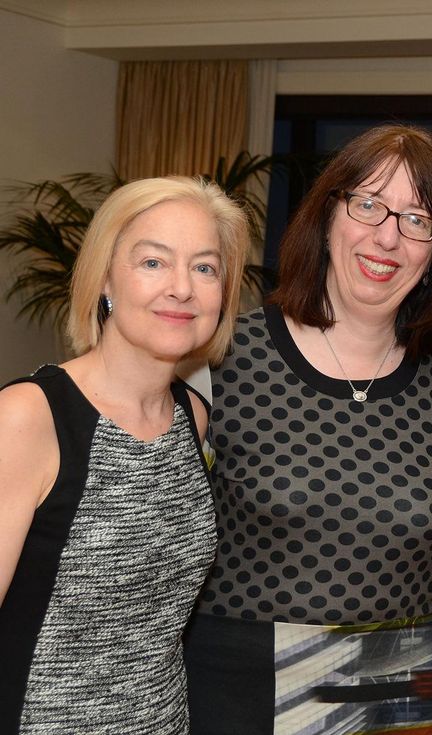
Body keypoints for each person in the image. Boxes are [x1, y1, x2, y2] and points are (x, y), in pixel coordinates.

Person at [184, 124, 432, 734]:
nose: (387, 238)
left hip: (409, 685)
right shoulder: (226, 354)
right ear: (327, 217)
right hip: (240, 689)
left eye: (417, 220)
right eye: (369, 204)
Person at [0, 176, 249, 734]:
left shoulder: (191, 415)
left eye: (205, 268)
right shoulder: (29, 418)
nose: (182, 288)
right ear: (106, 277)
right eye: (154, 262)